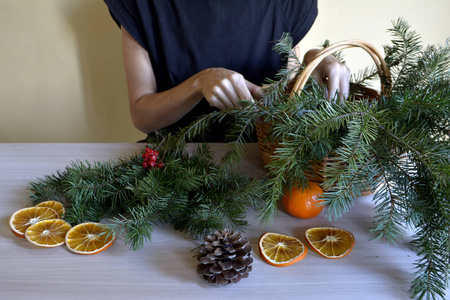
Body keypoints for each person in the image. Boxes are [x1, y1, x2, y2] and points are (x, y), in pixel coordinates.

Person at [104, 0, 350, 142]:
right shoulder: (141, 4)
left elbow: (286, 96)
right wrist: (199, 83)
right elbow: (142, 117)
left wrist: (313, 60)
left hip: (263, 164)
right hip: (172, 166)